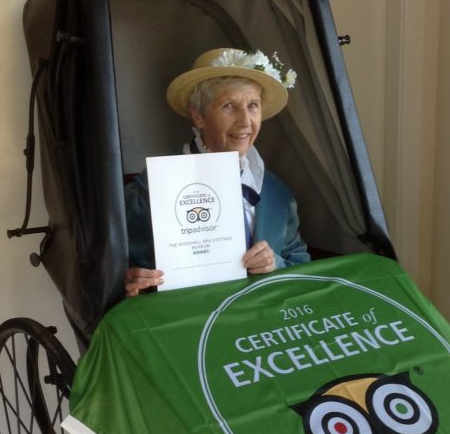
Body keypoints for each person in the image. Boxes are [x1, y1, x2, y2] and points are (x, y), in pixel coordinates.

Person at [124, 47, 310, 296]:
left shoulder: (277, 193)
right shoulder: (151, 189)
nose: (245, 122)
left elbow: (301, 266)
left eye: (253, 106)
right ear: (198, 115)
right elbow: (115, 271)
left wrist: (275, 263)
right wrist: (129, 281)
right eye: (229, 106)